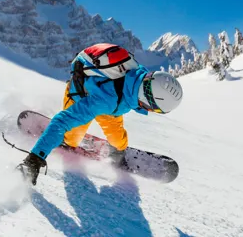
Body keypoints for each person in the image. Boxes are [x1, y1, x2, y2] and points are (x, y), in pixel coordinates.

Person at [18, 43, 184, 185]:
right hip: (83, 95)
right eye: (154, 108)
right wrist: (34, 159)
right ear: (147, 101)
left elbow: (118, 95)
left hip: (114, 105)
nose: (151, 111)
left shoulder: (140, 77)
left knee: (118, 140)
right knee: (72, 138)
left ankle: (117, 153)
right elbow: (61, 121)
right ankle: (65, 140)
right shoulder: (105, 100)